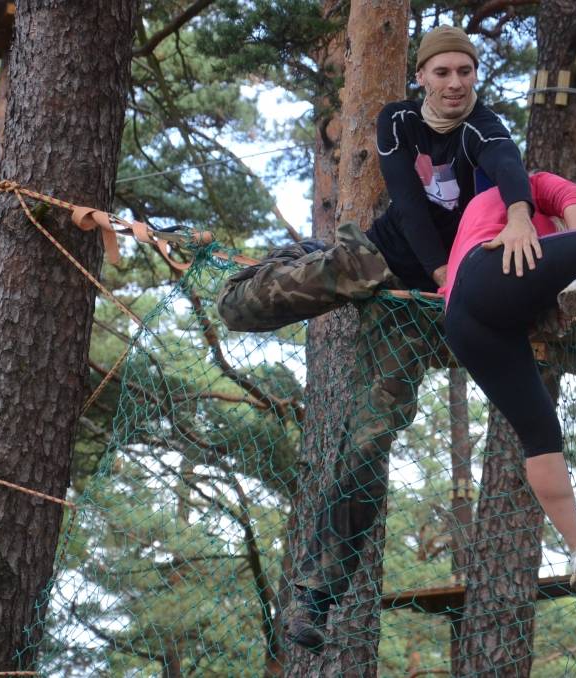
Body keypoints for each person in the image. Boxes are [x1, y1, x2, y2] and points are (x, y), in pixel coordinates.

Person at [215, 26, 539, 654]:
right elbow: (410, 205)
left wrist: (521, 214)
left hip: (415, 310)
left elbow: (506, 164)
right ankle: (303, 256)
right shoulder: (398, 121)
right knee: (237, 308)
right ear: (422, 77)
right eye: (442, 72)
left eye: (465, 72)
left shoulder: (484, 127)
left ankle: (316, 595)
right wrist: (443, 273)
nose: (454, 84)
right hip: (376, 259)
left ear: (476, 76)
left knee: (368, 441)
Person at [441, 171, 576, 590]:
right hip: (488, 271)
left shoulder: (478, 215)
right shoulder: (528, 184)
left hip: (464, 322)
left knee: (540, 434)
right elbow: (571, 197)